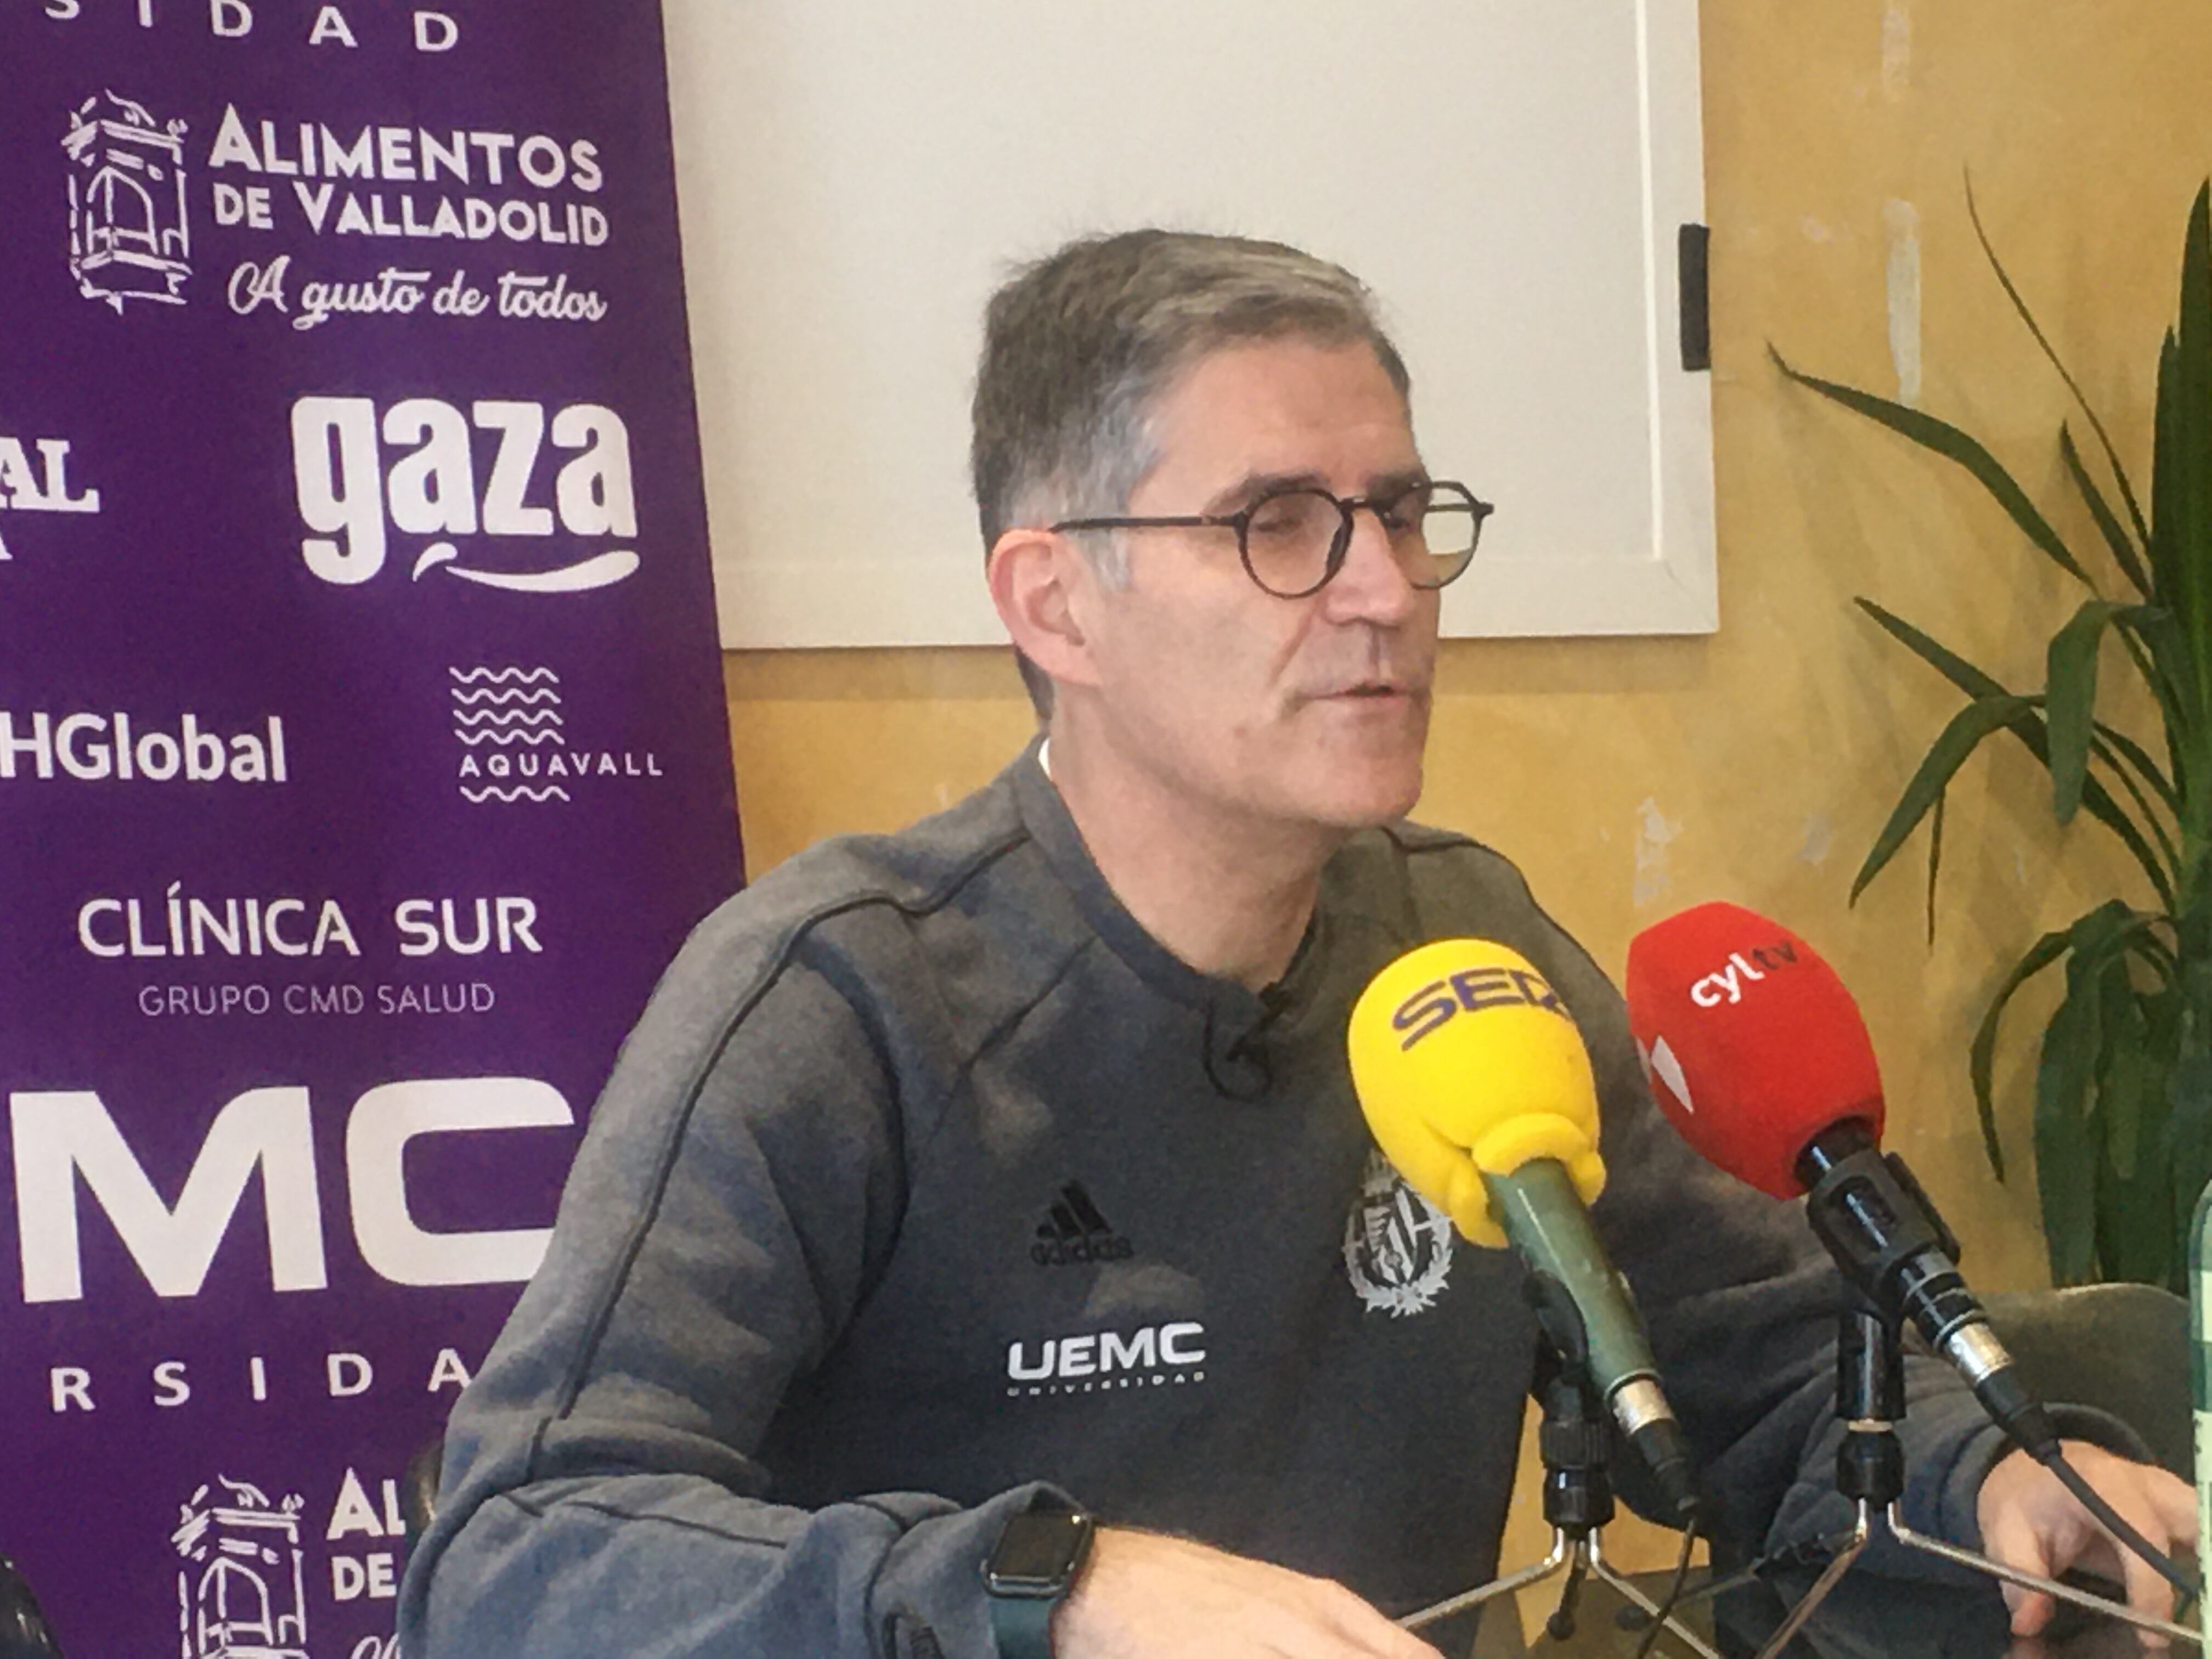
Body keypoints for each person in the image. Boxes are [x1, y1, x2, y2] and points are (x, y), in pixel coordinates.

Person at [398, 230, 2193, 1658]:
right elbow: (514, 1563)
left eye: (1404, 515)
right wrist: (1055, 1593)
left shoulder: (1465, 941)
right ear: (1054, 603)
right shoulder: (838, 998)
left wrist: (1981, 1477)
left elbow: (1755, 1361)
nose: (1385, 591)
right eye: (1279, 526)